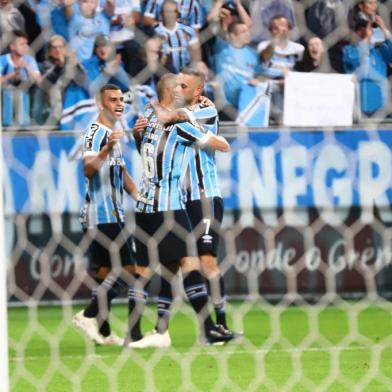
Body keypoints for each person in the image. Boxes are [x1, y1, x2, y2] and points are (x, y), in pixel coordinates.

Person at [125, 73, 234, 348]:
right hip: (170, 204)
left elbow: (146, 149)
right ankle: (205, 328)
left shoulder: (159, 118)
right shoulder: (173, 125)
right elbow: (222, 144)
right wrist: (178, 121)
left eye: (186, 86)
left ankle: (147, 332)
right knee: (185, 265)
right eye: (179, 86)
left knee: (165, 267)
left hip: (169, 200)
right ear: (172, 92)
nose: (182, 89)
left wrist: (171, 116)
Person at [72, 84, 150, 346]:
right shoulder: (95, 133)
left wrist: (142, 199)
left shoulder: (114, 133)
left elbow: (123, 175)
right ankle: (89, 315)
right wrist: (107, 148)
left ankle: (104, 334)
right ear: (100, 104)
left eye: (121, 99)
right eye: (112, 100)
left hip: (109, 214)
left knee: (106, 275)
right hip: (102, 215)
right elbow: (88, 169)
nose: (119, 103)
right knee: (134, 270)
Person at [0, 31, 41, 127]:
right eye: (22, 44)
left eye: (26, 44)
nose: (26, 47)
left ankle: (23, 122)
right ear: (12, 46)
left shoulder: (29, 60)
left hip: (23, 102)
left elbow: (39, 81)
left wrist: (27, 67)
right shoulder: (2, 60)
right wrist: (11, 75)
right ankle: (7, 122)